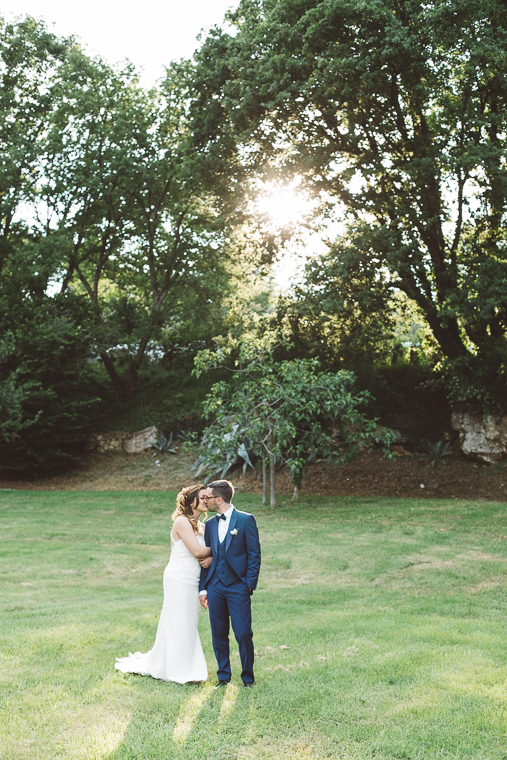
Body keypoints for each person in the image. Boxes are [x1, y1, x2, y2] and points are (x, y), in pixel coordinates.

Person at [114, 484, 212, 684]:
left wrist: (211, 558)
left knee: (188, 622)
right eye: (202, 497)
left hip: (193, 579)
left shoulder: (202, 526)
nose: (206, 500)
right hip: (179, 578)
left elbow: (205, 555)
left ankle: (184, 666)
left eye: (207, 497)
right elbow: (197, 552)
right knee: (178, 620)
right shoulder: (182, 522)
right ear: (191, 500)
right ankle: (175, 669)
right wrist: (220, 551)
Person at [199, 479, 261, 688]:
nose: (204, 500)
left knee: (243, 632)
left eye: (207, 497)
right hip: (215, 586)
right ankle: (223, 676)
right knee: (218, 633)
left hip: (238, 587)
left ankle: (248, 678)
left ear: (218, 499)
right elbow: (207, 560)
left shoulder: (245, 520)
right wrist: (204, 588)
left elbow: (254, 555)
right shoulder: (210, 525)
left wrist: (248, 585)